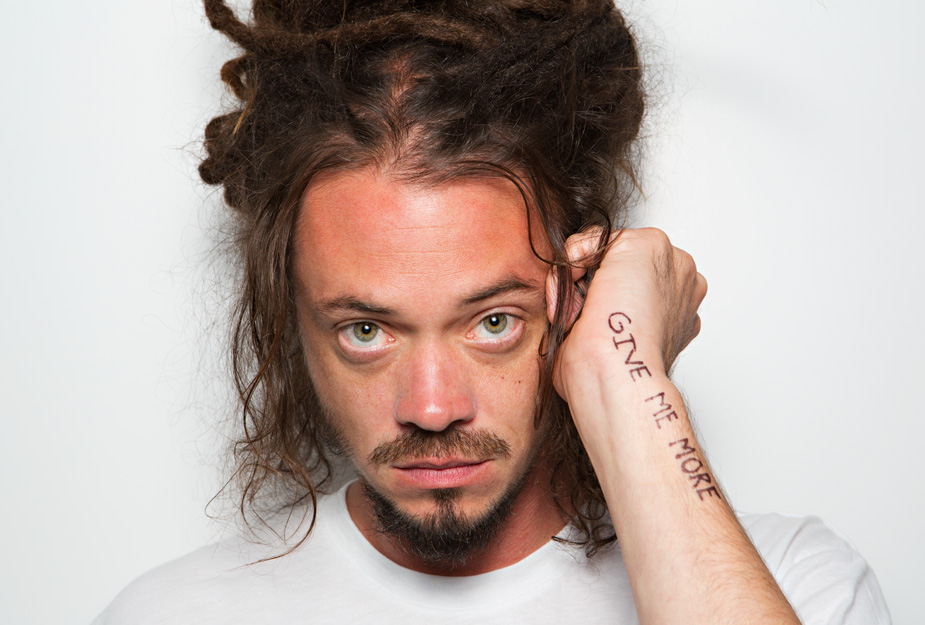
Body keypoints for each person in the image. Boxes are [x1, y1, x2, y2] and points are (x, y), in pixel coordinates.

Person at [94, 1, 890, 623]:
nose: (432, 407)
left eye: (492, 321)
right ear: (290, 316)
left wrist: (623, 374)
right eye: (366, 331)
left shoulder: (795, 584)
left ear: (576, 283)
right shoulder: (168, 615)